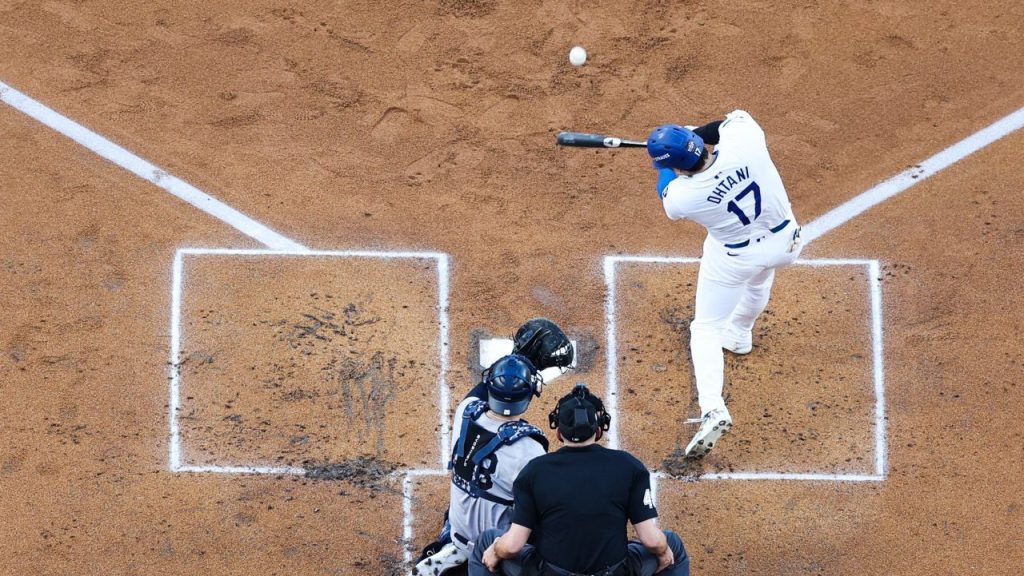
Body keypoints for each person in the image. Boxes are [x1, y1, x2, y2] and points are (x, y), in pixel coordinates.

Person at [645, 110, 804, 458]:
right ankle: (741, 334)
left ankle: (713, 408)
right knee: (760, 278)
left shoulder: (685, 197)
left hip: (737, 257)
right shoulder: (745, 140)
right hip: (786, 244)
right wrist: (693, 133)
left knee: (704, 328)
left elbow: (667, 189)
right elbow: (725, 124)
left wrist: (662, 166)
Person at [470, 383, 690, 576]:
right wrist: (662, 552)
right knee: (672, 544)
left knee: (488, 541)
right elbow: (652, 541)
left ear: (558, 432)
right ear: (598, 431)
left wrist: (496, 549)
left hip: (549, 572)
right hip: (614, 572)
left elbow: (513, 546)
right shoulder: (629, 467)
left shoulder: (534, 471)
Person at [414, 319, 575, 576]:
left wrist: (514, 361)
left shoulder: (465, 413)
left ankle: (449, 548)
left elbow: (476, 394)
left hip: (457, 535)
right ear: (530, 395)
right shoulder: (530, 449)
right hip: (493, 551)